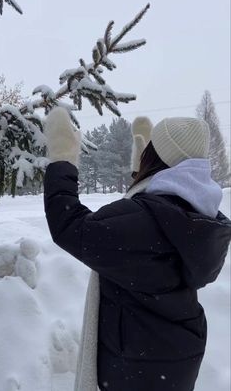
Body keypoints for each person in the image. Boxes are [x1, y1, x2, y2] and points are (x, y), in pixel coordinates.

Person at [43, 107, 231, 391]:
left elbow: (69, 226)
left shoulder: (145, 223)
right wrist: (142, 174)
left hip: (134, 367)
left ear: (156, 158)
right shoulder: (201, 216)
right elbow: (140, 229)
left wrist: (62, 158)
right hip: (177, 356)